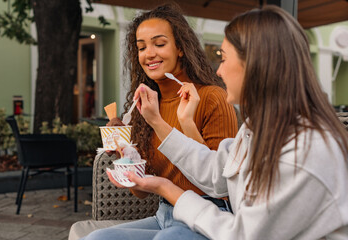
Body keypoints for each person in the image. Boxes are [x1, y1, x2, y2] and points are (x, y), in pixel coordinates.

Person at [107, 5, 348, 240]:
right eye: (142, 47)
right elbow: (218, 172)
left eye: (223, 58)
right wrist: (151, 133)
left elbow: (242, 234)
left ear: (256, 64)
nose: (219, 71)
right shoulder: (257, 129)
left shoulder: (305, 151)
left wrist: (167, 189)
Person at [71, 3, 238, 240]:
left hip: (209, 216)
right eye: (141, 47)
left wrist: (174, 122)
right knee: (95, 239)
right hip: (164, 215)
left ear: (180, 48)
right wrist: (126, 158)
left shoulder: (212, 97)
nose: (149, 53)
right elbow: (141, 193)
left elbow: (218, 182)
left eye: (159, 44)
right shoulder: (145, 107)